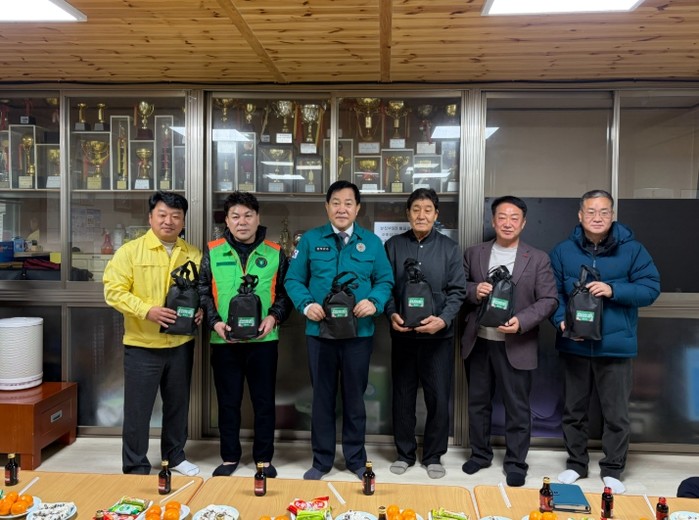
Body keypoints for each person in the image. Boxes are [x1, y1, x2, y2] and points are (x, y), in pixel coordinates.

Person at [550, 189, 660, 494]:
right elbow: (553, 293)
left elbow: (651, 289)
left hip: (615, 346)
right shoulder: (562, 251)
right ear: (580, 215)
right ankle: (576, 464)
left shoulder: (633, 250)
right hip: (574, 343)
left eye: (603, 212)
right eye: (591, 211)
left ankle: (612, 469)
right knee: (573, 410)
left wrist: (613, 290)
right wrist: (559, 320)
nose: (597, 217)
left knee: (616, 414)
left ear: (612, 215)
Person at [284, 180, 394, 480]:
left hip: (359, 334)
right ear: (327, 207)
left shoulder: (371, 242)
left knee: (355, 397)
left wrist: (375, 301)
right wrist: (306, 304)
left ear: (357, 208)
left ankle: (356, 459)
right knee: (322, 397)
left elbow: (385, 280)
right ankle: (322, 460)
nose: (342, 209)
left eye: (348, 203)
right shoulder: (311, 240)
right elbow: (293, 279)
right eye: (336, 202)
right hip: (320, 333)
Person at [103, 191, 202, 476]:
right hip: (142, 345)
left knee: (177, 406)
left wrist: (201, 311)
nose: (169, 221)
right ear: (150, 218)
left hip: (181, 344)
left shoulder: (193, 254)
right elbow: (113, 291)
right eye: (162, 215)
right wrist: (147, 311)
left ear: (183, 221)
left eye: (176, 216)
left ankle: (175, 457)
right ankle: (135, 465)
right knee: (138, 410)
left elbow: (202, 292)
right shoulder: (130, 252)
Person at [461, 195, 558, 487]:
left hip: (517, 343)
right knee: (478, 403)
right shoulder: (474, 253)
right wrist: (474, 290)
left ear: (523, 223)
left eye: (514, 218)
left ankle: (516, 462)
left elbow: (549, 300)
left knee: (517, 407)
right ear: (493, 221)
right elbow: (458, 286)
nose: (507, 223)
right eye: (502, 217)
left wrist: (522, 321)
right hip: (479, 341)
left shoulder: (537, 258)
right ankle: (480, 454)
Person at [198, 191, 291, 477]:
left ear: (258, 218)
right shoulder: (213, 251)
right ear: (226, 220)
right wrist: (214, 322)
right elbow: (203, 290)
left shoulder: (275, 252)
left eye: (248, 215)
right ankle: (229, 457)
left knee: (264, 402)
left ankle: (264, 458)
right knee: (228, 402)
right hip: (224, 340)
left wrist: (274, 318)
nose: (242, 222)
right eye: (235, 216)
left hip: (264, 341)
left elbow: (286, 293)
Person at [383, 188, 466, 479]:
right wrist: (391, 312)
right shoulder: (393, 246)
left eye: (428, 209)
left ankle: (433, 455)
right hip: (403, 336)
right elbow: (384, 286)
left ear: (436, 214)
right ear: (408, 214)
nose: (421, 215)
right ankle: (405, 453)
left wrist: (442, 320)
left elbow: (458, 291)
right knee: (402, 397)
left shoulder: (449, 248)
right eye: (416, 209)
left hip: (438, 339)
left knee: (438, 398)